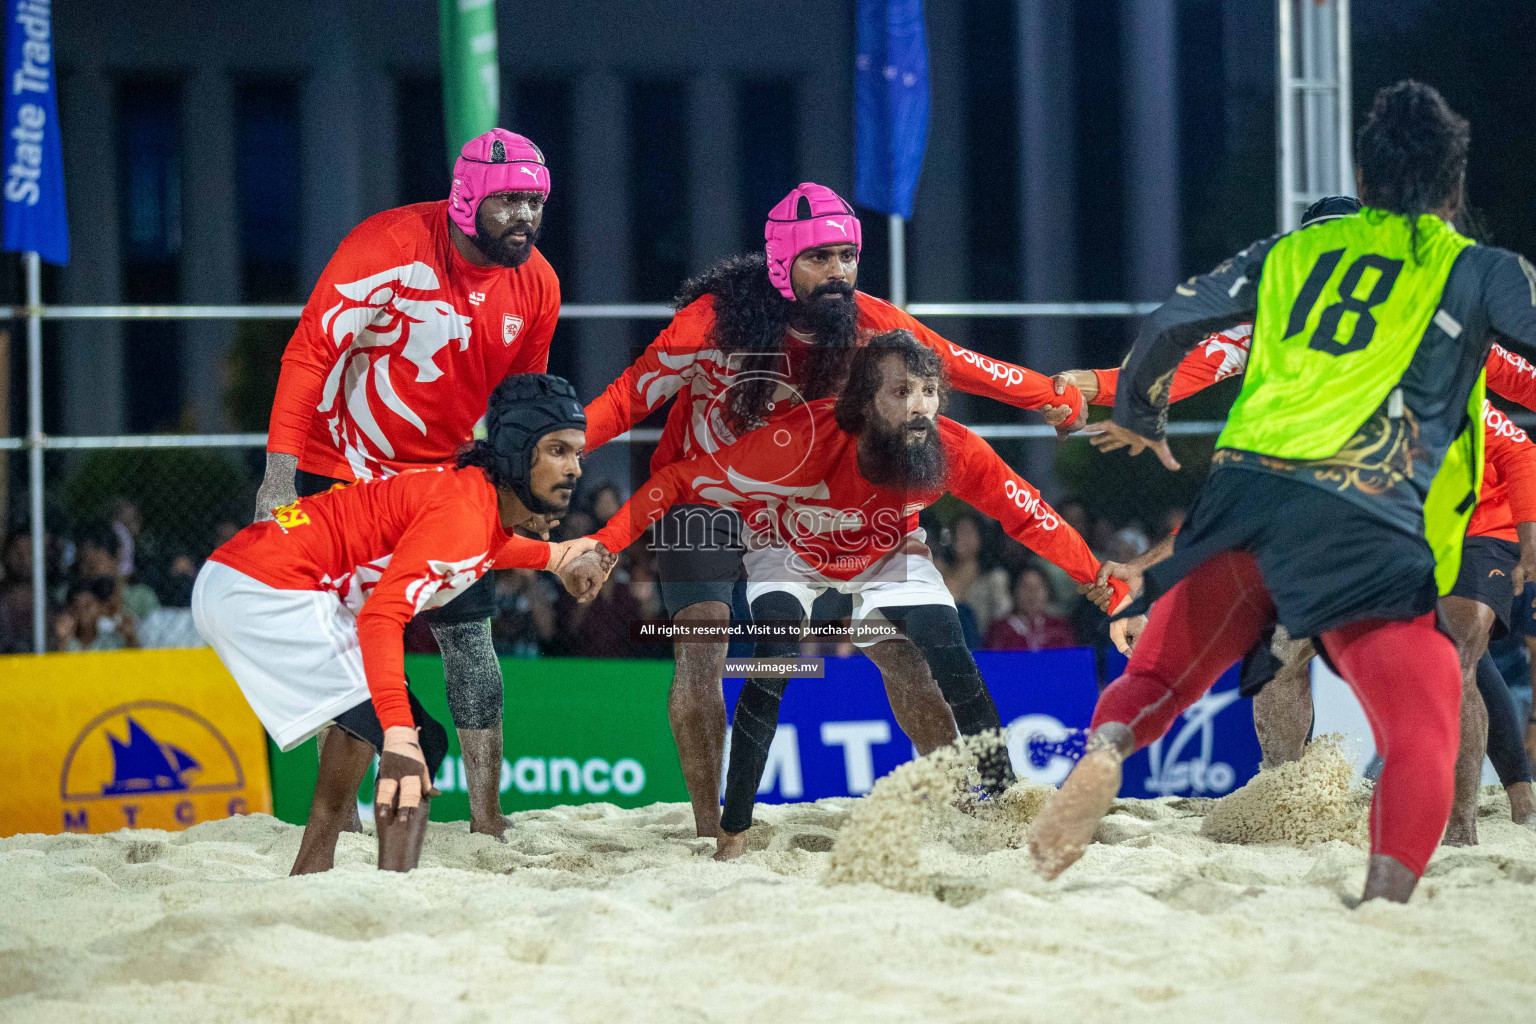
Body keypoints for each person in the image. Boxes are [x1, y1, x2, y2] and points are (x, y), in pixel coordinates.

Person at [1029, 81, 1536, 904]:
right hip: (1370, 514)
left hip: (1250, 496)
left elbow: (1169, 328)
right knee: (1421, 723)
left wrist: (1146, 415)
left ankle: (1103, 759)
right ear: (1452, 189)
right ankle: (1384, 901)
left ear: (1363, 184)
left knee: (1161, 680)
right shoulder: (1471, 269)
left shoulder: (1285, 256)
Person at [581, 182, 1086, 839]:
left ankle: (966, 805)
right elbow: (625, 400)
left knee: (897, 650)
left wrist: (1052, 394)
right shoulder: (708, 324)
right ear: (782, 261)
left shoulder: (870, 319)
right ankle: (713, 832)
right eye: (821, 257)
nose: (839, 272)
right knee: (702, 647)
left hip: (805, 504)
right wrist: (550, 452)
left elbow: (961, 366)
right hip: (706, 492)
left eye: (848, 256)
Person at [586, 331, 1127, 859]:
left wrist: (1096, 576)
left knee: (944, 642)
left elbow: (1030, 517)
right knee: (774, 656)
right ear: (864, 402)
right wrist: (604, 545)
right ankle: (733, 835)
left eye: (929, 391)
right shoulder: (798, 441)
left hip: (888, 551)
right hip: (788, 548)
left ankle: (1004, 802)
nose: (920, 407)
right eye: (901, 392)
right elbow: (680, 480)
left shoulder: (954, 449)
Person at [253, 129, 561, 840]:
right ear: (468, 198)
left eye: (536, 202)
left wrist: (524, 492)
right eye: (511, 200)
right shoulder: (386, 246)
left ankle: (488, 821)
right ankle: (343, 820)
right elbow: (307, 354)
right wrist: (278, 477)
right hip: (347, 465)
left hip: (443, 476)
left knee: (471, 637)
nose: (526, 216)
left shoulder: (538, 282)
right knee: (360, 645)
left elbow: (523, 402)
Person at [196, 375, 611, 873]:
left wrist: (557, 559)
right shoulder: (464, 513)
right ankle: (360, 882)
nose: (575, 470)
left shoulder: (474, 501)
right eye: (559, 451)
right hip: (268, 590)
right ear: (520, 452)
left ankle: (333, 873)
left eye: (579, 455)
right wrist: (397, 734)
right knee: (409, 740)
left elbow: (481, 551)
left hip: (251, 574)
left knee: (393, 730)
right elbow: (380, 617)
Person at [986, 566, 1077, 651]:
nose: (1032, 594)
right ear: (1014, 591)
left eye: (1038, 587)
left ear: (1047, 592)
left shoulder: (1059, 627)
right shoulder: (999, 629)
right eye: (1026, 587)